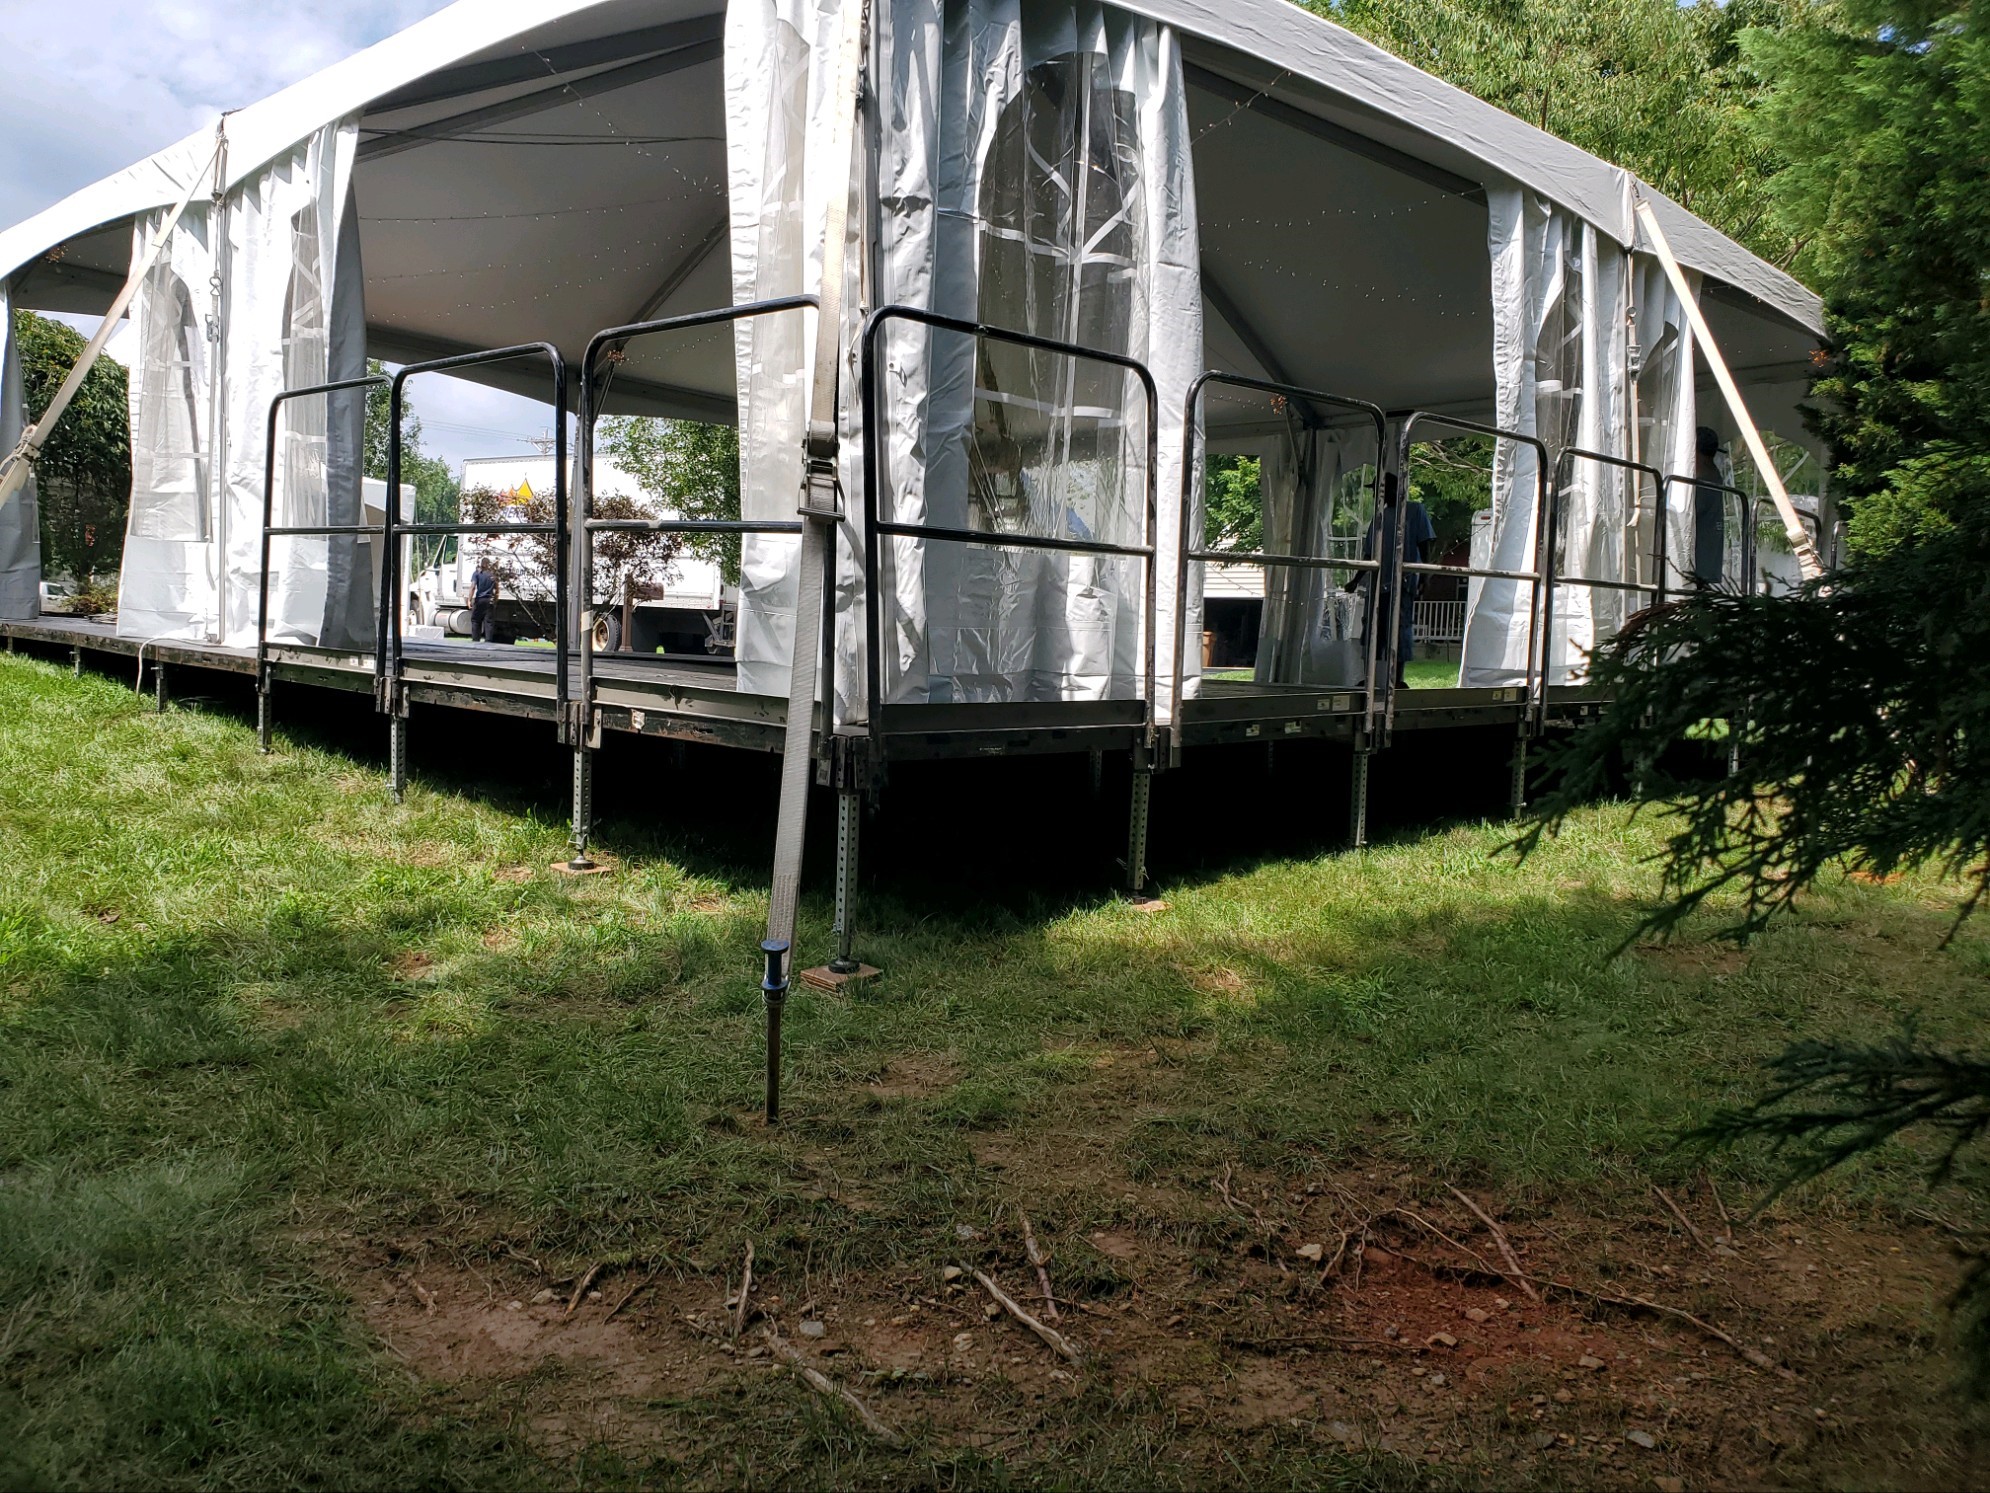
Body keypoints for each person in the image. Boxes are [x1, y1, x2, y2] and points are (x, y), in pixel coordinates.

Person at [1349, 478, 1437, 688]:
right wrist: (1356, 580)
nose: (1376, 495)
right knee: (1372, 629)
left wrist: (1425, 576)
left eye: (1380, 490)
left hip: (1402, 583)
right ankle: (1369, 678)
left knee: (1399, 628)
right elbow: (1369, 553)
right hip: (1377, 583)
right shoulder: (1378, 517)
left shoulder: (1414, 511)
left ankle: (1397, 679)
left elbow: (1425, 544)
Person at [1692, 426, 1727, 588]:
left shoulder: (1705, 480)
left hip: (1699, 558)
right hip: (1706, 558)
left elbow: (1691, 512)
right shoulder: (1713, 475)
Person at [469, 558, 498, 643]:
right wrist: (495, 599)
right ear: (489, 564)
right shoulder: (493, 575)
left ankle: (475, 640)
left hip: (479, 600)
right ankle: (488, 641)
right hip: (489, 600)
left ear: (481, 564)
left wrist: (469, 600)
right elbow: (497, 589)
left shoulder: (477, 573)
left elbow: (473, 587)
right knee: (488, 622)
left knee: (476, 620)